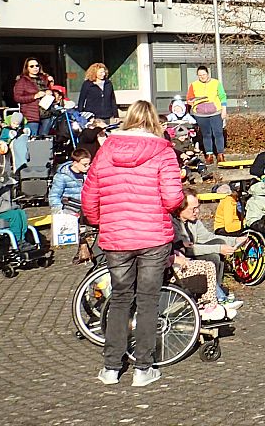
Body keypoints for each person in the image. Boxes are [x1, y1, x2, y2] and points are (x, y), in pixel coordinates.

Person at [81, 100, 184, 388]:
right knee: (148, 299)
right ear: (154, 121)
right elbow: (174, 197)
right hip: (152, 235)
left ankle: (111, 367)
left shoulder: (106, 150)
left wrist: (99, 220)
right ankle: (143, 368)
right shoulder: (163, 151)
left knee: (121, 298)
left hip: (117, 237)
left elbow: (90, 195)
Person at [172, 189, 243, 319]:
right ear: (180, 209)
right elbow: (188, 249)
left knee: (218, 242)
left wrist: (235, 240)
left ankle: (217, 290)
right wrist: (218, 248)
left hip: (191, 252)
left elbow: (207, 237)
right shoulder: (174, 224)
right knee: (213, 256)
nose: (197, 212)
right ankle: (216, 297)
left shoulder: (193, 221)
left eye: (197, 208)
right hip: (183, 256)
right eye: (193, 209)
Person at [186, 65, 227, 164]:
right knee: (206, 134)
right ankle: (209, 154)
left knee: (218, 133)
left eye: (204, 74)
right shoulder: (194, 85)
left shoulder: (216, 83)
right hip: (200, 114)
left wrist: (224, 109)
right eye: (200, 75)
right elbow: (189, 98)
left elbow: (222, 96)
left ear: (207, 74)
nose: (202, 77)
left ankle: (220, 154)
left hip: (215, 112)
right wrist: (192, 102)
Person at [13, 57, 56, 137]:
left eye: (37, 66)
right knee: (33, 139)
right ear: (27, 68)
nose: (35, 68)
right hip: (31, 115)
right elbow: (17, 97)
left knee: (44, 138)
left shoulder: (44, 79)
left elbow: (53, 94)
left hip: (46, 113)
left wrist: (49, 92)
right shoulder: (22, 81)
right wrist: (34, 96)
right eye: (32, 66)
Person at [49, 147, 91, 212]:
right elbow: (54, 195)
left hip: (85, 211)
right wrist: (58, 210)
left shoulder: (88, 175)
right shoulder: (62, 176)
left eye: (89, 164)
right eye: (85, 165)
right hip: (68, 211)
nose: (88, 167)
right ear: (75, 163)